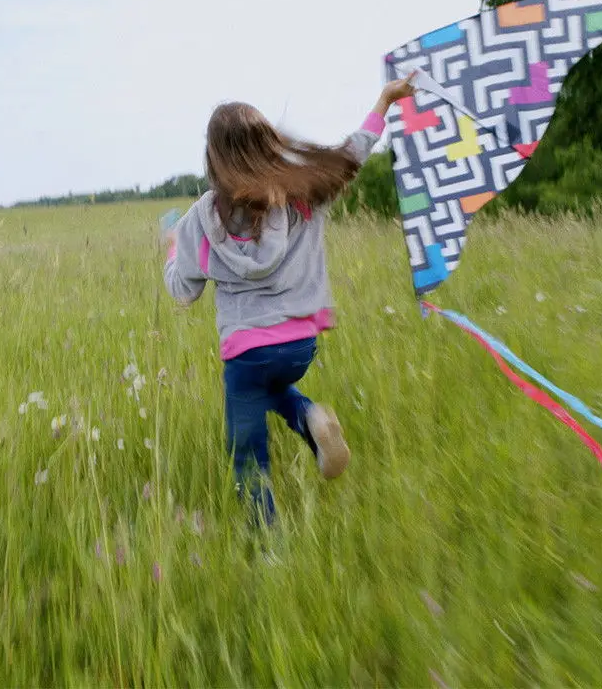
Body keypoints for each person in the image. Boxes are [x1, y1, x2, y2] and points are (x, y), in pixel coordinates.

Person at [163, 76, 417, 526]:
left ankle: (270, 549)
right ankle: (310, 420)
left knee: (247, 455)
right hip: (300, 344)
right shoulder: (302, 191)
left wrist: (171, 251)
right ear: (267, 143)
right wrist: (384, 100)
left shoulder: (199, 221)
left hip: (246, 350)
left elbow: (183, 291)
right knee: (273, 388)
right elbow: (353, 155)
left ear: (214, 156)